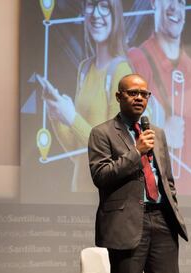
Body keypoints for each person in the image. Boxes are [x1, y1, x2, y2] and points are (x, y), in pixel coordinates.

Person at [88, 74, 188, 273]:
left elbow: (167, 179)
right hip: (126, 224)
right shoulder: (102, 133)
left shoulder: (156, 133)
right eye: (133, 93)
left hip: (162, 220)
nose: (139, 98)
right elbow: (101, 175)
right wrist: (137, 151)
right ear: (118, 96)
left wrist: (172, 208)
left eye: (144, 93)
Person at [36, 0, 132, 191]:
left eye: (104, 6)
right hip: (78, 192)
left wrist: (72, 118)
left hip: (106, 199)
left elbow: (114, 153)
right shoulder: (84, 69)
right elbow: (76, 152)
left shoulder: (122, 73)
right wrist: (57, 115)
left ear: (115, 15)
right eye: (90, 4)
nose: (96, 14)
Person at [128, 0, 191, 195]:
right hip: (151, 207)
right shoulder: (135, 61)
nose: (175, 7)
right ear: (153, 3)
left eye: (181, 2)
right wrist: (162, 133)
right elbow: (120, 143)